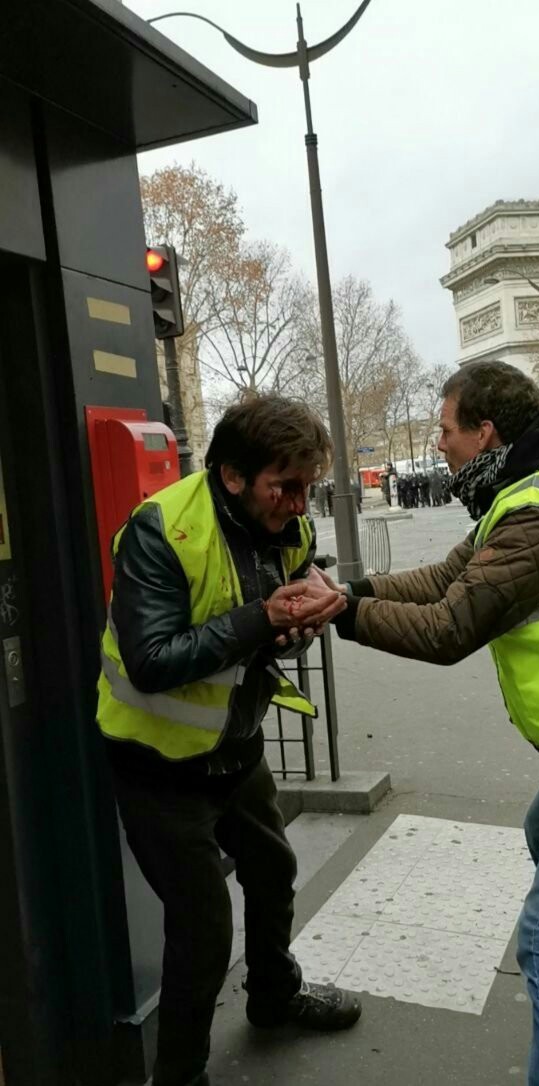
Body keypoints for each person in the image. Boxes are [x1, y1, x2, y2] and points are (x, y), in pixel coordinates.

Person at [323, 361, 539, 1086]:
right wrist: (350, 593)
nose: (441, 443)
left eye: (447, 430)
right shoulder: (521, 496)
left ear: (487, 433)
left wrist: (346, 616)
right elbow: (442, 579)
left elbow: (453, 624)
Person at [97, 394, 360, 1086]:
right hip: (157, 765)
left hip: (235, 748)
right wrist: (260, 619)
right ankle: (179, 1076)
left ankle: (273, 995)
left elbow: (273, 624)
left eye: (307, 487)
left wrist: (300, 622)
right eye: (285, 486)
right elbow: (152, 661)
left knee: (273, 872)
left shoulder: (288, 528)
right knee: (205, 932)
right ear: (234, 475)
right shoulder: (160, 530)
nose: (300, 505)